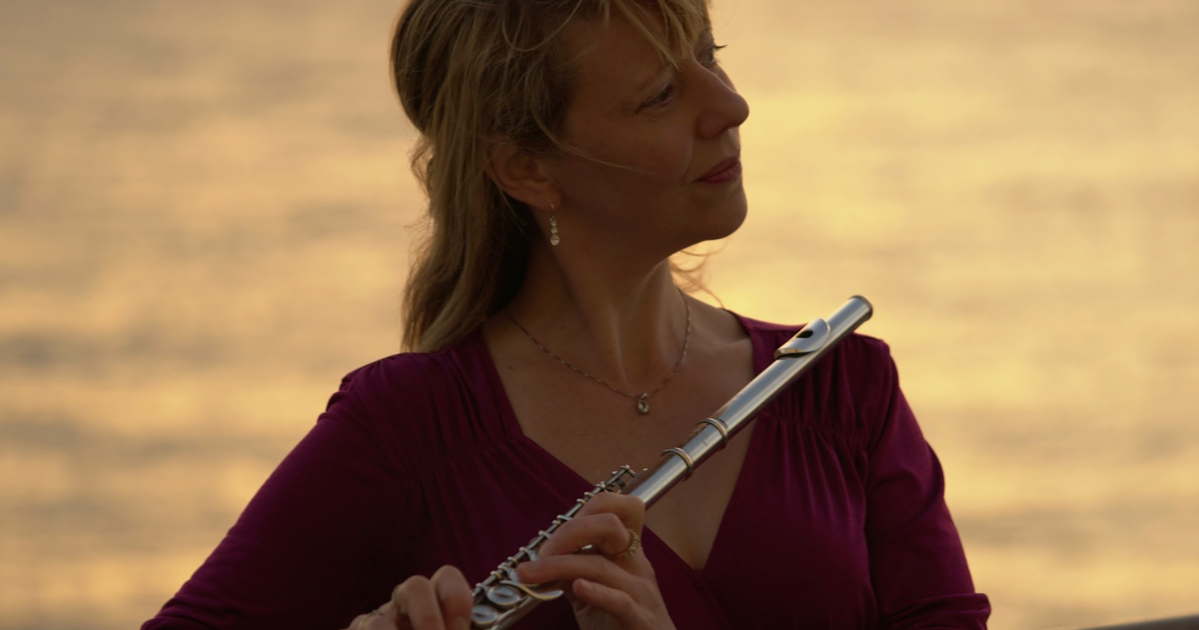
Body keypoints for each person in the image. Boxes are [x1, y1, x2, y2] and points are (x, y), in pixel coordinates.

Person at [144, 0, 991, 629]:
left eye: (710, 53)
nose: (729, 107)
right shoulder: (403, 431)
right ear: (528, 170)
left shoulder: (840, 387)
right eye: (661, 93)